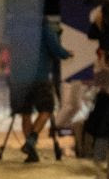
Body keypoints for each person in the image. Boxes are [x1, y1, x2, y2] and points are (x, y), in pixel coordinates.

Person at [13, 17, 73, 163]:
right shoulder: (44, 28)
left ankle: (31, 152)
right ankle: (32, 140)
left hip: (21, 78)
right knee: (46, 109)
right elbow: (55, 49)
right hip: (40, 77)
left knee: (26, 114)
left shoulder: (17, 29)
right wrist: (68, 54)